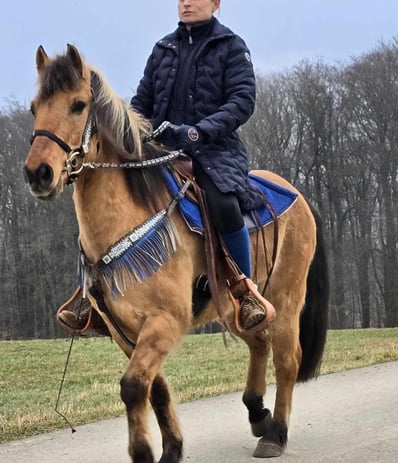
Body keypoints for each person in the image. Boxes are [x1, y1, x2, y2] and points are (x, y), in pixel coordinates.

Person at [59, 0, 271, 333]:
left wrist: (198, 130)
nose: (186, 3)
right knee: (104, 201)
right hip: (161, 150)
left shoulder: (232, 47)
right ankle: (90, 295)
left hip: (214, 151)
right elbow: (141, 104)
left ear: (215, 4)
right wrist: (132, 134)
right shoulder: (163, 48)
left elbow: (242, 101)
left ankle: (244, 292)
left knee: (224, 204)